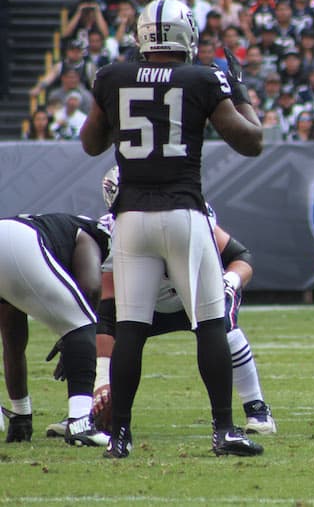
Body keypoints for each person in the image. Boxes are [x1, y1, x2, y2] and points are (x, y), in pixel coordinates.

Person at [79, 0, 264, 459]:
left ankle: (119, 437)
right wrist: (238, 93)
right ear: (186, 35)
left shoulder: (112, 76)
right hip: (183, 212)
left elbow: (90, 143)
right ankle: (224, 429)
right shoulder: (202, 76)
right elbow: (251, 141)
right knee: (210, 323)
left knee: (131, 328)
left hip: (130, 217)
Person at [44, 166, 277, 439]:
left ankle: (256, 407)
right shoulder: (111, 230)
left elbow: (242, 258)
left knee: (225, 327)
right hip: (149, 304)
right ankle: (90, 411)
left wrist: (229, 283)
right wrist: (102, 382)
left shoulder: (193, 215)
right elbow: (107, 312)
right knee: (91, 334)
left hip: (194, 296)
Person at [0, 212, 111, 446]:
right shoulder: (90, 232)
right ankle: (80, 421)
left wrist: (21, 415)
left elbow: (13, 338)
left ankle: (19, 414)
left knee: (13, 338)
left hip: (10, 235)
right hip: (21, 243)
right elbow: (91, 288)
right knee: (83, 323)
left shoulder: (54, 227)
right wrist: (74, 341)